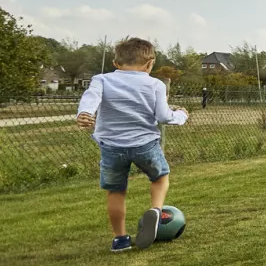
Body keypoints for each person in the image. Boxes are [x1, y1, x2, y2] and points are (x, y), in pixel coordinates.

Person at [74, 36, 189, 253]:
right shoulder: (155, 84)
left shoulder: (102, 79)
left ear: (116, 63)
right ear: (150, 63)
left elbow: (91, 97)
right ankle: (156, 210)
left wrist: (85, 113)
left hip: (111, 147)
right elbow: (163, 116)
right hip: (145, 144)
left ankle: (120, 239)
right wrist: (181, 115)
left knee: (116, 192)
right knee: (160, 177)